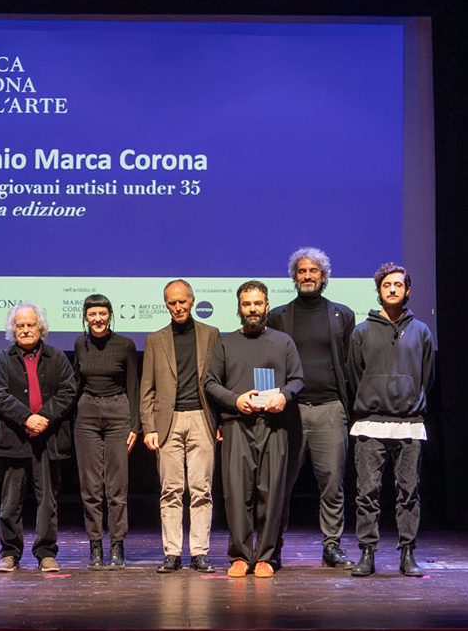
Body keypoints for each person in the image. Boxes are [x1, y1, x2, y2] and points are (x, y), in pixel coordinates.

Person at [204, 280, 303, 579]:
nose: (252, 309)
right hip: (237, 425)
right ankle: (239, 556)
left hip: (274, 426)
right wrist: (235, 400)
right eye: (247, 304)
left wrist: (283, 396)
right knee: (236, 494)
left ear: (267, 306)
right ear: (239, 308)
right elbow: (209, 382)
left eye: (257, 303)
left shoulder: (283, 342)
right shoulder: (224, 342)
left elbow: (297, 379)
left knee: (271, 493)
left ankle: (266, 557)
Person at [266, 246, 356, 569]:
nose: (307, 276)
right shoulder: (277, 315)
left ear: (324, 277)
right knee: (280, 483)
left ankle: (332, 545)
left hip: (330, 409)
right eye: (301, 271)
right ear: (293, 277)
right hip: (289, 412)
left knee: (332, 482)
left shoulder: (342, 314)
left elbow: (348, 364)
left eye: (313, 271)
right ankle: (272, 547)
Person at [346, 262, 435, 577]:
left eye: (398, 284)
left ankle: (407, 553)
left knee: (408, 492)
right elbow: (354, 375)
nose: (393, 289)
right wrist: (371, 397)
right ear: (379, 290)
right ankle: (367, 554)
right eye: (387, 285)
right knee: (367, 492)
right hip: (370, 421)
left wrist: (411, 398)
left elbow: (427, 375)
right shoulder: (361, 331)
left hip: (409, 423)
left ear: (407, 290)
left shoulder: (421, 331)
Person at [0, 301, 78, 573]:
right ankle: (10, 554)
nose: (25, 330)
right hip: (13, 440)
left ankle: (46, 553)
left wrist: (43, 419)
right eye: (20, 326)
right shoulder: (1, 359)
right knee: (11, 502)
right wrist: (26, 417)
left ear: (41, 328)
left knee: (47, 501)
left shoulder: (57, 357)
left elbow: (68, 391)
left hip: (48, 440)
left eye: (30, 325)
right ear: (12, 330)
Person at [139, 279, 219, 573]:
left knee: (201, 489)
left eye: (182, 302)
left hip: (201, 418)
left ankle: (199, 552)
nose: (177, 307)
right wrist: (149, 427)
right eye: (172, 303)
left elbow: (217, 382)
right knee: (170, 490)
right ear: (166, 305)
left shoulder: (211, 334)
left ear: (192, 301)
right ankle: (172, 552)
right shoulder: (154, 339)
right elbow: (147, 388)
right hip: (167, 423)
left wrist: (218, 421)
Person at [72, 293, 139, 570]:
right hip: (87, 412)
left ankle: (117, 545)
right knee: (90, 485)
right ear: (85, 317)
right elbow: (76, 383)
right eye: (92, 314)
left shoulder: (125, 345)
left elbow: (133, 386)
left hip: (118, 411)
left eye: (102, 313)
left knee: (116, 485)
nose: (97, 319)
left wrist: (135, 425)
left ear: (110, 315)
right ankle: (95, 545)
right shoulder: (79, 344)